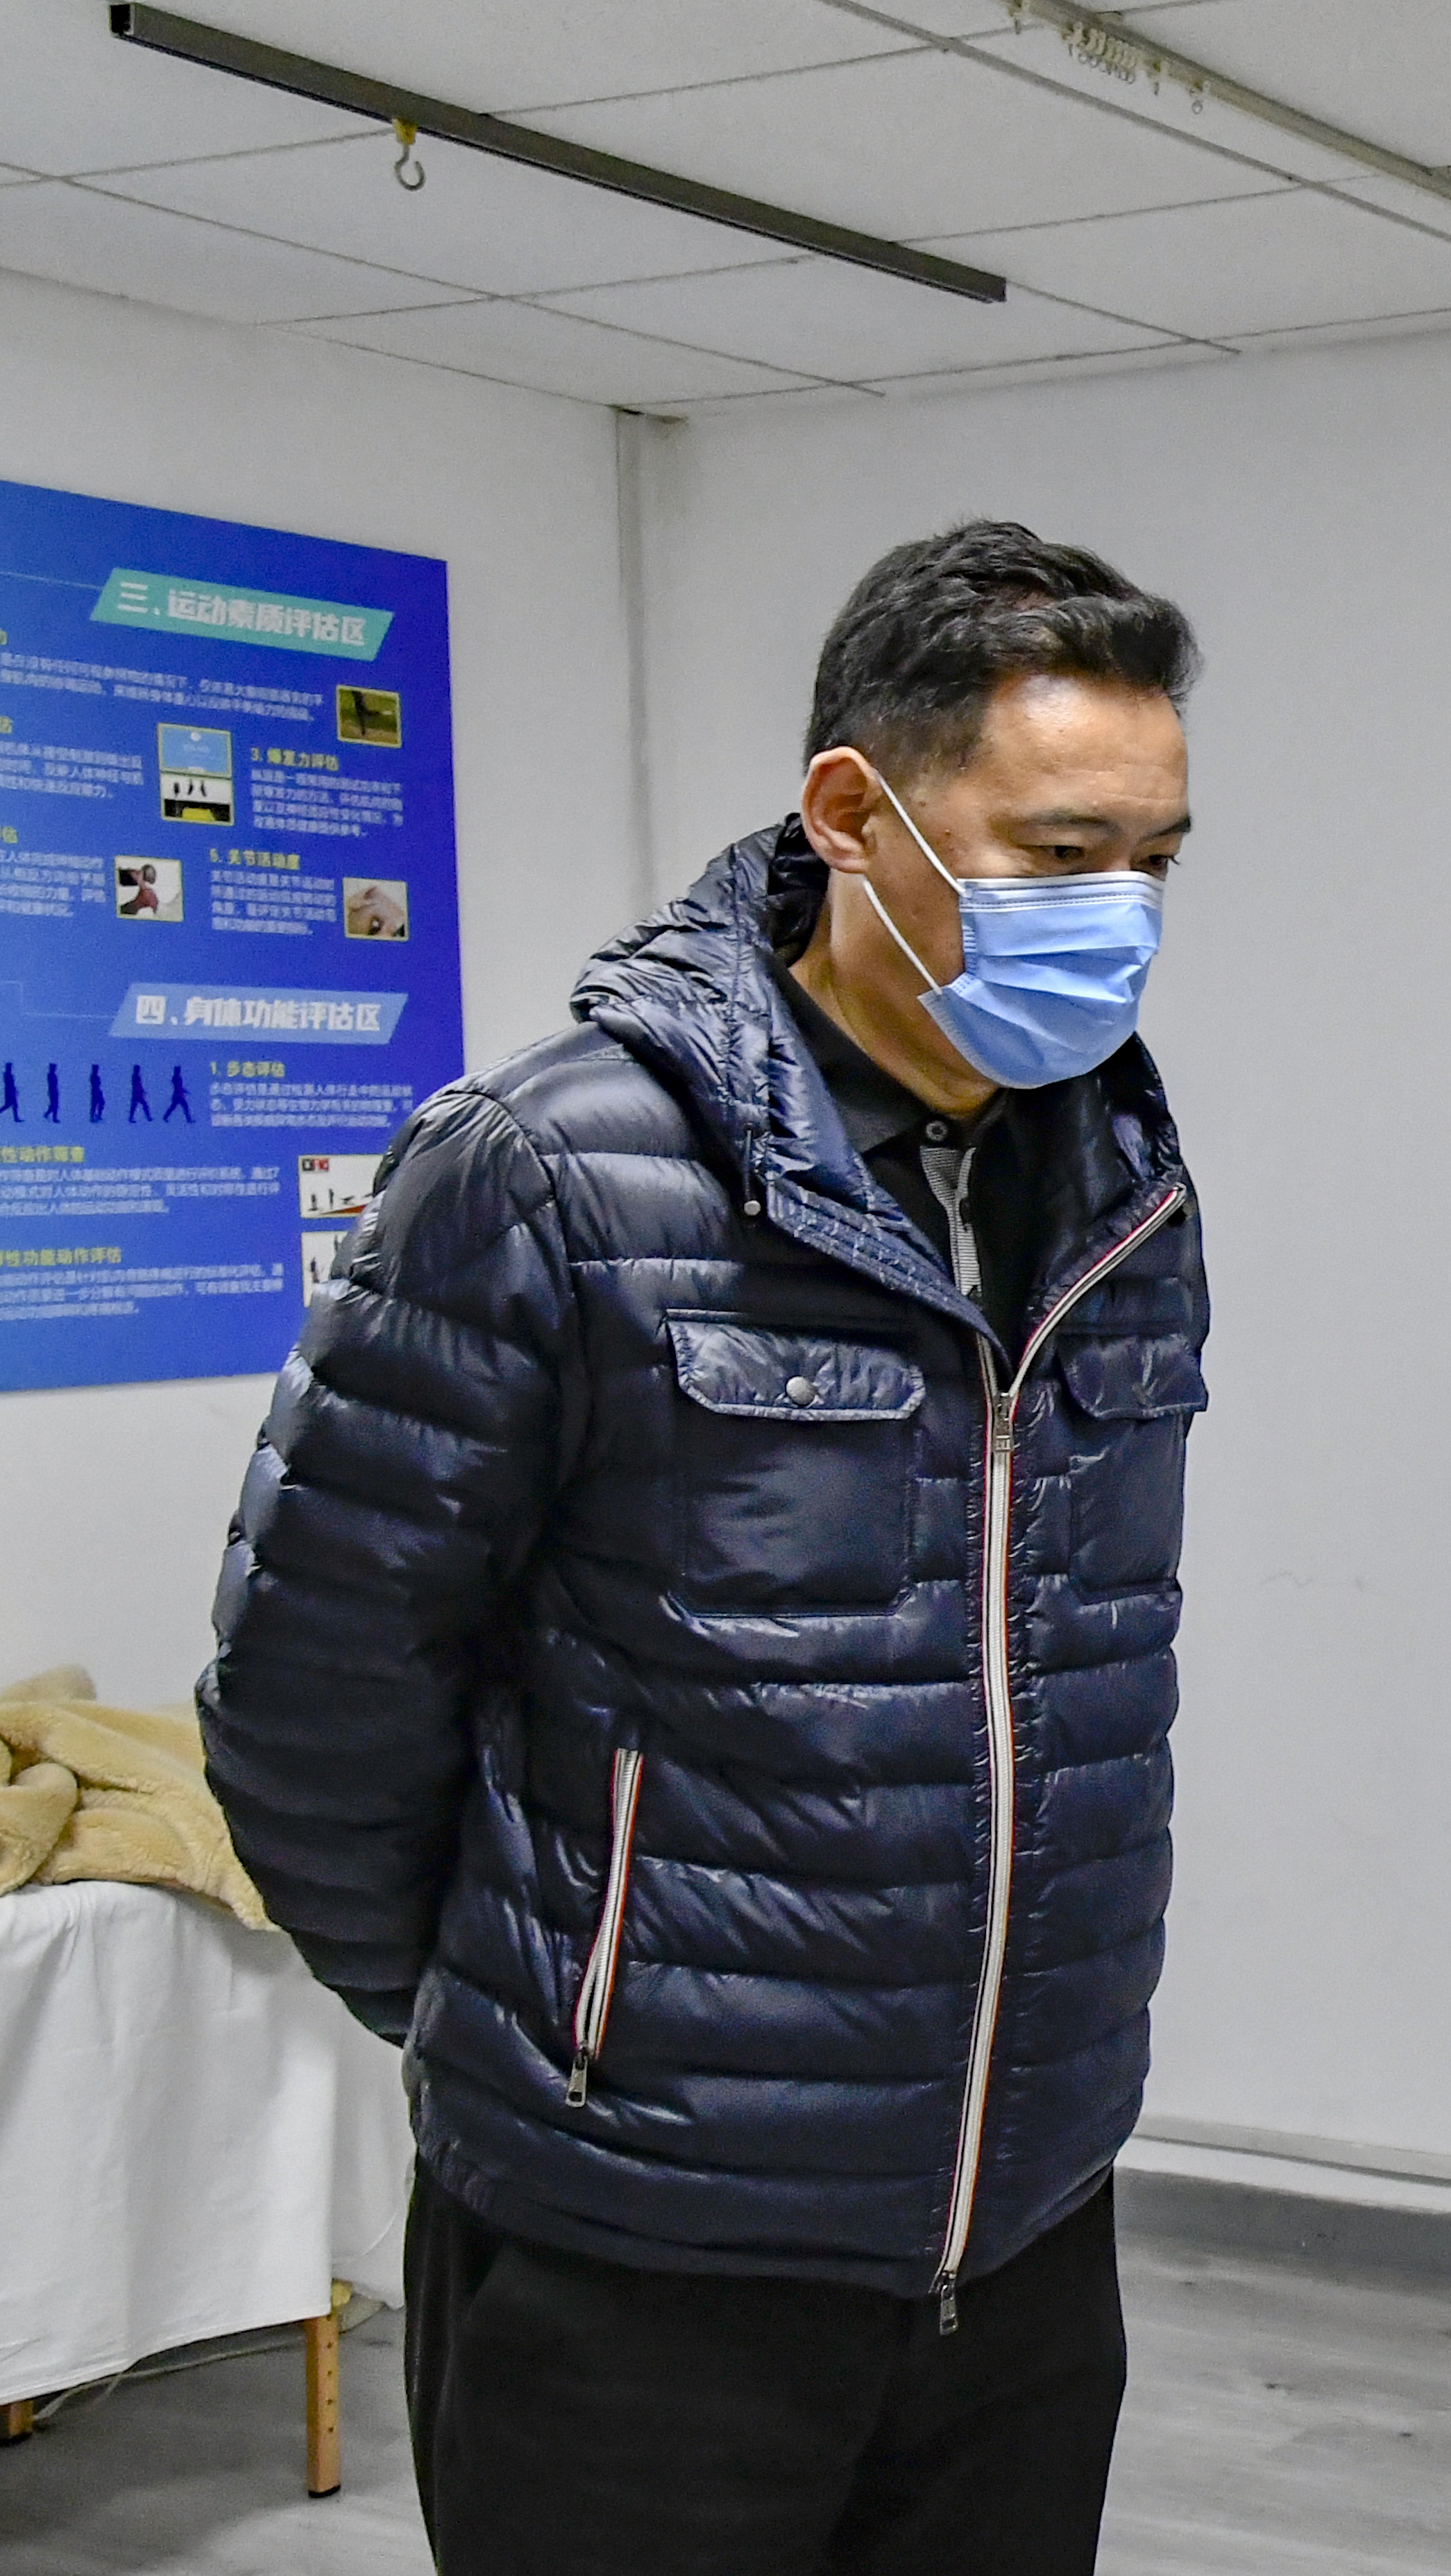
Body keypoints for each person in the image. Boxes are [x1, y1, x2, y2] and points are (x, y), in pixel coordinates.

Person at [198, 523, 1209, 2576]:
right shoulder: (552, 1172)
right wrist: (561, 2034)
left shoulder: (1123, 1186)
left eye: (1154, 861)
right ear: (851, 812)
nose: (1117, 916)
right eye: (1057, 853)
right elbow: (314, 1700)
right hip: (641, 2258)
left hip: (1022, 2225)